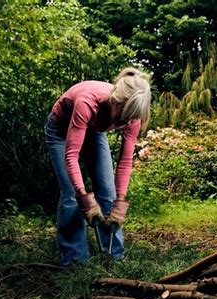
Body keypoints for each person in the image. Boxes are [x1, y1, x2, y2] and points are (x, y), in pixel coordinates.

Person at [44, 67, 151, 266]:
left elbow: (125, 161)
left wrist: (120, 201)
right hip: (60, 130)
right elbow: (71, 155)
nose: (124, 122)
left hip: (94, 130)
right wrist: (84, 197)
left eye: (129, 119)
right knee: (71, 196)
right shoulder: (87, 102)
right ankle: (75, 261)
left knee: (109, 192)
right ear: (115, 101)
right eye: (122, 118)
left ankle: (114, 256)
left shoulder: (132, 116)